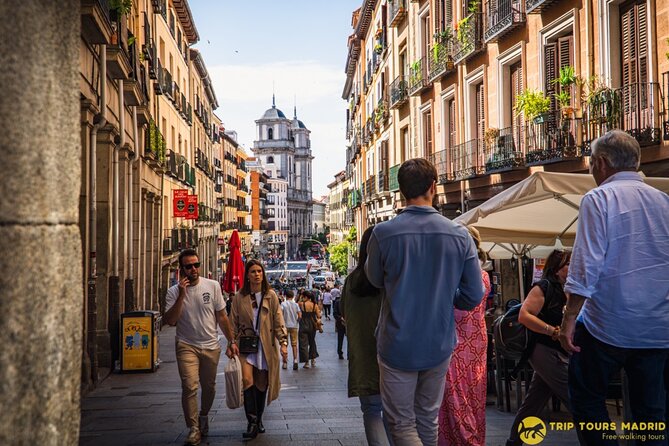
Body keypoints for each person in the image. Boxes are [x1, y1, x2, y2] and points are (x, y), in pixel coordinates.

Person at [560, 129, 669, 445]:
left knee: (587, 398)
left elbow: (586, 264)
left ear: (603, 163)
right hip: (657, 329)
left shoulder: (598, 198)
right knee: (651, 412)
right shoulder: (664, 202)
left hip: (607, 326)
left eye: (591, 162)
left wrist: (568, 320)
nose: (591, 169)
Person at [365, 158, 484, 445]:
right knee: (428, 420)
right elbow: (474, 295)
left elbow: (374, 280)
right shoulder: (460, 236)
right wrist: (445, 294)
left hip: (397, 342)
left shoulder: (383, 233)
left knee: (401, 423)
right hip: (439, 342)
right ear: (434, 187)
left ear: (400, 190)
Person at [163, 249, 239, 446]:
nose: (194, 269)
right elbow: (171, 320)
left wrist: (231, 341)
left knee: (210, 387)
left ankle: (204, 414)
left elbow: (222, 317)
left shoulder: (212, 286)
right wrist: (182, 295)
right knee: (189, 387)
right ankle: (194, 428)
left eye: (196, 265)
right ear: (182, 270)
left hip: (211, 345)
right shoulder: (173, 293)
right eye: (189, 266)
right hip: (186, 345)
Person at [504, 250, 579, 446]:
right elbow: (524, 315)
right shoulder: (544, 287)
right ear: (556, 269)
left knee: (533, 403)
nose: (573, 268)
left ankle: (513, 442)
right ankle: (597, 438)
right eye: (568, 264)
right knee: (577, 398)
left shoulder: (571, 289)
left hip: (559, 351)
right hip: (544, 350)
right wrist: (553, 331)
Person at [438, 226, 491, 446]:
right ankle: (471, 437)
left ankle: (464, 440)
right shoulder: (483, 274)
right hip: (476, 338)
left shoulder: (458, 275)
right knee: (468, 393)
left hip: (459, 340)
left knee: (456, 394)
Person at [341, 226, 392, 446]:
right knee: (394, 413)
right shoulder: (392, 280)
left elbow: (344, 315)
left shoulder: (352, 281)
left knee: (371, 410)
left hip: (363, 357)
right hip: (392, 357)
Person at [230, 259, 289, 440]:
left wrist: (284, 342)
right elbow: (232, 322)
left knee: (262, 384)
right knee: (247, 380)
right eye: (253, 271)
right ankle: (252, 422)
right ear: (247, 275)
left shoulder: (270, 296)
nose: (257, 274)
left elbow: (278, 321)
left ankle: (259, 419)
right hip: (246, 345)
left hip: (265, 346)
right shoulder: (239, 297)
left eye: (259, 271)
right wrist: (231, 342)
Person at [298, 290, 321, 369]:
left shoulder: (301, 304)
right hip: (312, 325)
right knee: (312, 342)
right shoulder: (315, 305)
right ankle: (313, 359)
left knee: (303, 344)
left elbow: (298, 302)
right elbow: (318, 315)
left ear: (306, 297)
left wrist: (301, 297)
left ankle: (306, 362)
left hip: (303, 324)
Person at [280, 290, 301, 371]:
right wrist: (296, 322)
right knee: (294, 344)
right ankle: (295, 360)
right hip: (294, 326)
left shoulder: (283, 304)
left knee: (284, 344)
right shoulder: (296, 305)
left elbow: (280, 314)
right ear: (292, 296)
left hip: (285, 326)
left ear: (285, 296)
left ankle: (285, 363)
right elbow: (299, 315)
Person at [332, 288, 346, 360]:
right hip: (340, 324)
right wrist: (341, 318)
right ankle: (340, 353)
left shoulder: (349, 302)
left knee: (350, 340)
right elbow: (334, 313)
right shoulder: (337, 302)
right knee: (340, 339)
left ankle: (350, 354)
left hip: (348, 324)